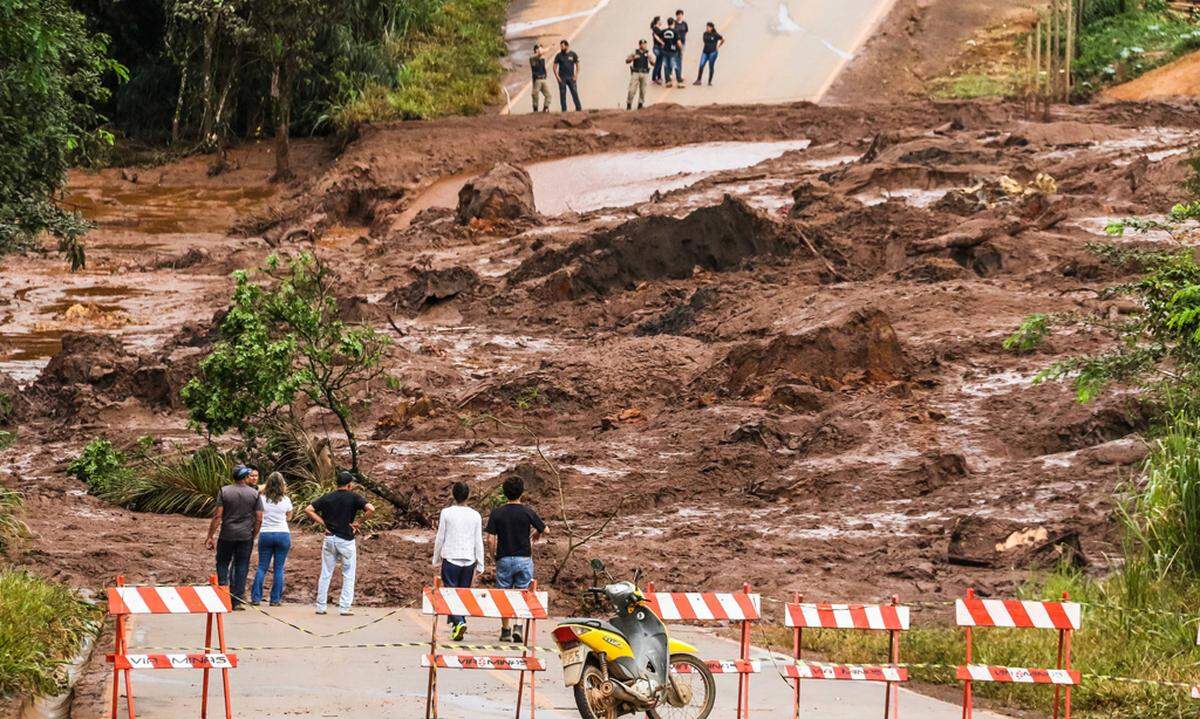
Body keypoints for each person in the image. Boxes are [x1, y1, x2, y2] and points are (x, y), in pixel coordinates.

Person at [484, 475, 546, 644]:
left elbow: (490, 538)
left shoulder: (497, 513)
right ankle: (518, 625)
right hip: (524, 558)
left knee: (504, 594)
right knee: (523, 592)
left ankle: (505, 630)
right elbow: (545, 529)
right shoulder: (527, 511)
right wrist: (536, 533)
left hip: (504, 557)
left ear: (504, 493)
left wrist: (492, 555)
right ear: (522, 493)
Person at [306, 470, 375, 616]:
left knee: (326, 572)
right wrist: (359, 522)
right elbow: (371, 509)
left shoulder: (327, 497)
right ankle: (344, 607)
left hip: (329, 538)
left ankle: (320, 606)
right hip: (346, 540)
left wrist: (323, 522)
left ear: (336, 483)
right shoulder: (354, 497)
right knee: (348, 574)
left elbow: (309, 509)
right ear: (350, 485)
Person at [431, 482, 485, 641]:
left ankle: (459, 622)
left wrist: (436, 558)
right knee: (462, 593)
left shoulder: (446, 513)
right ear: (468, 496)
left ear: (453, 495)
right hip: (469, 560)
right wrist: (480, 562)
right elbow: (478, 540)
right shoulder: (475, 515)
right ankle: (456, 625)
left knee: (451, 593)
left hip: (451, 558)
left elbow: (440, 537)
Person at [205, 465, 263, 609]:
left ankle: (223, 595)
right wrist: (253, 534)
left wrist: (210, 536)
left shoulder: (224, 491)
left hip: (227, 534)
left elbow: (218, 515)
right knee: (242, 565)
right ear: (245, 477)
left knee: (223, 562)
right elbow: (259, 518)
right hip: (245, 536)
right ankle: (237, 600)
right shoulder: (254, 494)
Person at [250, 472, 293, 607]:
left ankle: (256, 598)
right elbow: (289, 517)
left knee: (262, 566)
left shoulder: (261, 499)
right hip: (283, 534)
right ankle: (275, 600)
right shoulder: (286, 499)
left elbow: (258, 515)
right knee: (279, 568)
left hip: (266, 533)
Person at [553, 40, 582, 112]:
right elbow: (554, 67)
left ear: (567, 46)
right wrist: (557, 77)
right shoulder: (558, 55)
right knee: (562, 95)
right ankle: (564, 110)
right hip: (562, 78)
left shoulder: (573, 54)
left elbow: (578, 65)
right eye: (560, 46)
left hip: (571, 77)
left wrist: (576, 75)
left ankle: (578, 108)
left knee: (574, 93)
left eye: (562, 46)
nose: (561, 48)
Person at [626, 39, 652, 110]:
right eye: (643, 44)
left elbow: (653, 63)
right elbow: (627, 60)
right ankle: (629, 103)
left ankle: (640, 104)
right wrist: (633, 58)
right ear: (640, 45)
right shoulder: (635, 52)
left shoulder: (648, 53)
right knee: (632, 90)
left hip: (644, 73)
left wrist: (650, 60)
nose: (644, 45)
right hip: (636, 72)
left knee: (643, 90)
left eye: (645, 44)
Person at [529, 43, 552, 113]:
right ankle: (535, 110)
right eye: (540, 49)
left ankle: (545, 108)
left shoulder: (542, 58)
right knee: (535, 95)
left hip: (543, 79)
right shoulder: (532, 58)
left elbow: (541, 54)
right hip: (537, 80)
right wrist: (550, 47)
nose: (542, 51)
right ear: (536, 50)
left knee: (548, 95)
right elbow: (540, 53)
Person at [660, 19, 680, 88]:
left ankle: (668, 82)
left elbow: (656, 35)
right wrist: (681, 49)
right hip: (673, 51)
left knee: (666, 66)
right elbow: (678, 42)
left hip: (665, 50)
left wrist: (662, 43)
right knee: (675, 66)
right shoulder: (675, 31)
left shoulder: (664, 31)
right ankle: (679, 81)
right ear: (673, 23)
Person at [673, 9, 689, 85]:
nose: (679, 16)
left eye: (681, 14)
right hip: (675, 44)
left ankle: (679, 75)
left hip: (682, 43)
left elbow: (686, 31)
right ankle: (673, 74)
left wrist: (683, 38)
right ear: (676, 15)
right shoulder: (674, 23)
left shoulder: (684, 23)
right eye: (678, 14)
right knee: (675, 59)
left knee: (680, 59)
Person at [650, 16, 666, 85]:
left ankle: (659, 77)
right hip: (657, 48)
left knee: (659, 62)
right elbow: (656, 37)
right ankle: (654, 78)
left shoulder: (657, 28)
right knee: (658, 63)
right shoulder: (655, 29)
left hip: (659, 47)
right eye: (661, 20)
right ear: (658, 21)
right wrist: (663, 43)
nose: (661, 22)